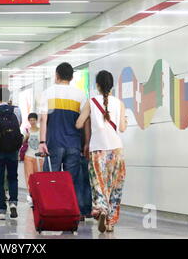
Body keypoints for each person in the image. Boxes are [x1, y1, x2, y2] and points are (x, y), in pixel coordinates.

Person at [76, 70, 128, 233]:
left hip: (98, 150)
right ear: (111, 85)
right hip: (116, 150)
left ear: (97, 85)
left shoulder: (91, 102)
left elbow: (78, 124)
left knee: (98, 184)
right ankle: (111, 222)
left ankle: (101, 209)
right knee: (115, 186)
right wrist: (124, 119)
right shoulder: (119, 103)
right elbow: (122, 128)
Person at [38, 62, 92, 218]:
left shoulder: (48, 93)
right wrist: (86, 143)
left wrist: (42, 142)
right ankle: (74, 212)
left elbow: (43, 119)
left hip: (53, 143)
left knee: (51, 180)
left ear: (57, 75)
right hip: (74, 144)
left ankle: (51, 210)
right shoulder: (81, 95)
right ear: (72, 77)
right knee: (72, 180)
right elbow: (86, 121)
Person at [0, 88, 23, 220]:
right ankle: (13, 203)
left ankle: (1, 211)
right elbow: (18, 125)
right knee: (13, 177)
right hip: (13, 150)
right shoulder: (16, 110)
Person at [22, 113, 43, 206]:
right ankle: (31, 195)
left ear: (36, 120)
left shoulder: (41, 131)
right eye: (30, 120)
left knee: (39, 177)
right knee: (29, 176)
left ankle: (38, 195)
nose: (32, 122)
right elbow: (22, 143)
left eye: (33, 120)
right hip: (28, 156)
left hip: (39, 157)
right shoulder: (27, 131)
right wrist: (25, 137)